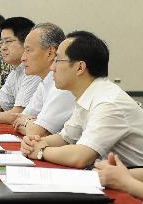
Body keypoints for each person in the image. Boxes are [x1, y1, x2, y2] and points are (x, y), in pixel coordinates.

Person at [21, 31, 143, 168]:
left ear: (80, 67)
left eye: (58, 60)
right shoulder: (87, 95)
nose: (52, 67)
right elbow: (66, 138)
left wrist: (42, 151)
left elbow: (81, 157)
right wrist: (35, 143)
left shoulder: (108, 103)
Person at [0, 17, 41, 124]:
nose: (3, 48)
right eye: (2, 43)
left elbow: (17, 115)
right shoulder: (15, 70)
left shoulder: (34, 71)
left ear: (26, 42)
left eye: (8, 42)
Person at [12, 23, 74, 136]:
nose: (23, 58)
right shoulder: (45, 81)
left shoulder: (63, 85)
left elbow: (38, 133)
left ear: (50, 53)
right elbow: (18, 122)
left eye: (28, 50)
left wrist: (27, 122)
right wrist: (30, 124)